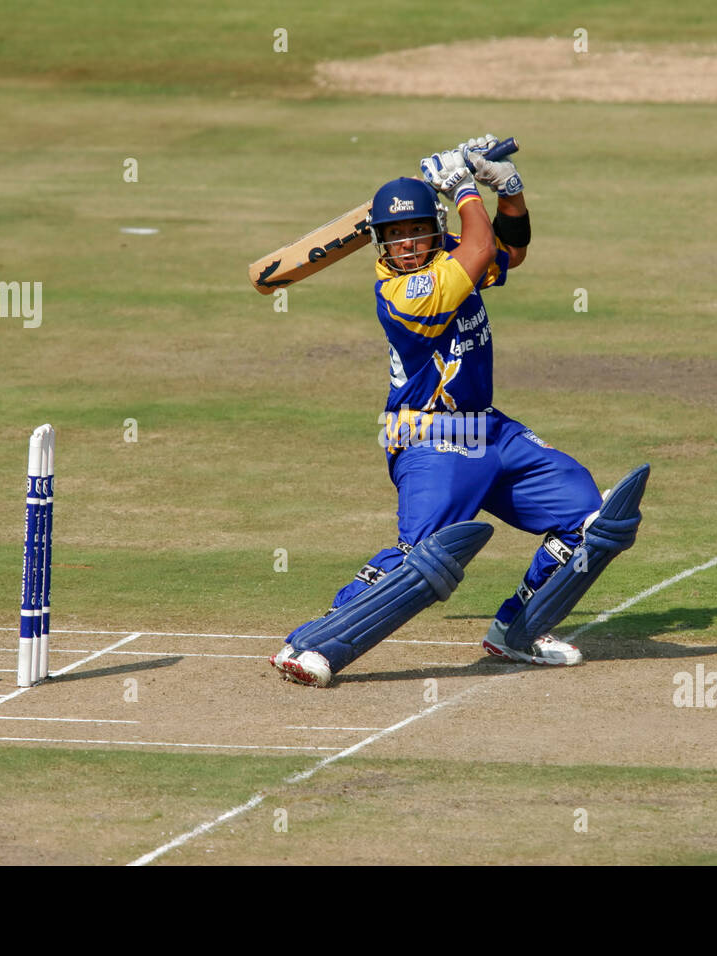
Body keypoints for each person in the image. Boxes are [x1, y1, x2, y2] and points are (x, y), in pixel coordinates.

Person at [271, 135, 649, 687]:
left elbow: (508, 251)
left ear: (433, 227)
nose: (404, 244)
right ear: (378, 242)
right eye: (393, 235)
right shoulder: (404, 291)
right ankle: (313, 641)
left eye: (415, 230)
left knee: (590, 519)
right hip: (428, 435)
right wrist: (464, 186)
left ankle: (518, 630)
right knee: (422, 561)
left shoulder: (449, 249)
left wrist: (509, 191)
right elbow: (475, 253)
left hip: (488, 427)